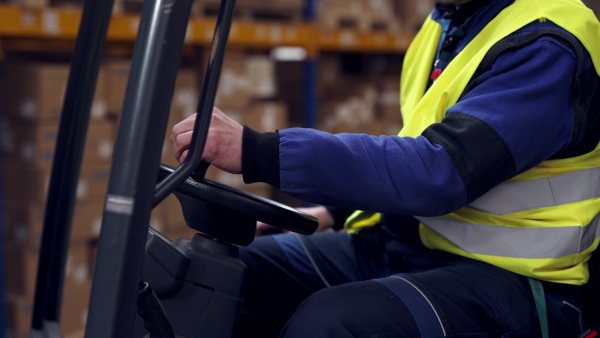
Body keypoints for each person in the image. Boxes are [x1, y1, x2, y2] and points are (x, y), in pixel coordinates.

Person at [171, 0, 600, 336]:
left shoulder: (546, 43)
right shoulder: (448, 25)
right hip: (413, 245)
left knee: (331, 323)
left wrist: (258, 151)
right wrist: (328, 214)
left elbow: (441, 172)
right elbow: (412, 147)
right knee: (229, 272)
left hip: (516, 283)